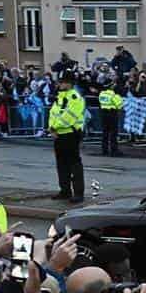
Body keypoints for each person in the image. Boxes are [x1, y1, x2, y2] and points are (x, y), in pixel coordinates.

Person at [48, 71, 86, 203]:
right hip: (59, 135)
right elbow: (53, 113)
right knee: (61, 164)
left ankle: (78, 193)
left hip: (70, 134)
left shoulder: (74, 97)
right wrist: (51, 127)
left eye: (62, 82)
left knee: (74, 164)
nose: (60, 84)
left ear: (69, 83)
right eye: (60, 81)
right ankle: (65, 191)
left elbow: (69, 117)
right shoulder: (59, 97)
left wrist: (55, 127)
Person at [97, 80, 123, 157]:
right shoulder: (113, 94)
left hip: (103, 114)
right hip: (112, 114)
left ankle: (104, 150)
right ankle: (114, 150)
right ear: (111, 86)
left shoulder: (101, 93)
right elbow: (120, 105)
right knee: (113, 133)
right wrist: (119, 96)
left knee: (105, 133)